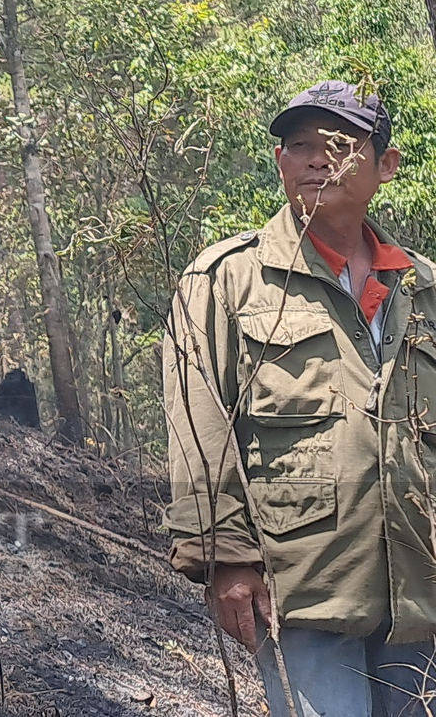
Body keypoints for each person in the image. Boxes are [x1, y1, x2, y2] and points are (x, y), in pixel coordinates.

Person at [163, 80, 436, 717]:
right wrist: (224, 559)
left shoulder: (423, 287)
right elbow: (198, 429)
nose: (317, 159)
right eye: (299, 146)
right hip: (303, 586)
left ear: (386, 166)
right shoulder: (225, 279)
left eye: (338, 145)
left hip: (423, 588)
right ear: (281, 162)